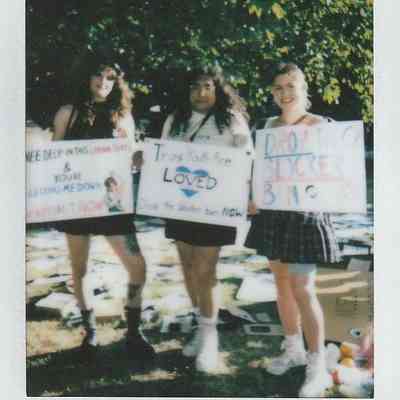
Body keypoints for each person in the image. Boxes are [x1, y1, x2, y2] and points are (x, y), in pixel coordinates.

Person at [245, 63, 342, 397]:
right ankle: (293, 349)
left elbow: (337, 173)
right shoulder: (265, 127)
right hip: (274, 216)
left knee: (303, 286)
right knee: (282, 284)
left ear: (304, 89)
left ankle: (317, 367)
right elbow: (258, 171)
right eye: (278, 88)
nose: (285, 93)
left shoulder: (323, 126)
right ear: (272, 92)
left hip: (305, 216)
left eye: (291, 86)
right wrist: (252, 196)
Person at [52, 53, 154, 361]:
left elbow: (131, 155)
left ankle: (133, 332)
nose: (104, 82)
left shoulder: (123, 115)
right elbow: (56, 160)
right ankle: (90, 332)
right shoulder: (67, 113)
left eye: (111, 77)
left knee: (138, 267)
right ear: (86, 77)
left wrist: (138, 158)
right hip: (77, 204)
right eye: (99, 75)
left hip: (112, 204)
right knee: (79, 268)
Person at [160, 65, 253, 373]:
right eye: (195, 87)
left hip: (215, 208)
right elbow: (162, 157)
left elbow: (247, 157)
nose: (201, 93)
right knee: (187, 266)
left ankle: (210, 338)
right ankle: (200, 328)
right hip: (181, 205)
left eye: (208, 87)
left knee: (206, 269)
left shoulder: (231, 120)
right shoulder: (175, 120)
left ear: (217, 90)